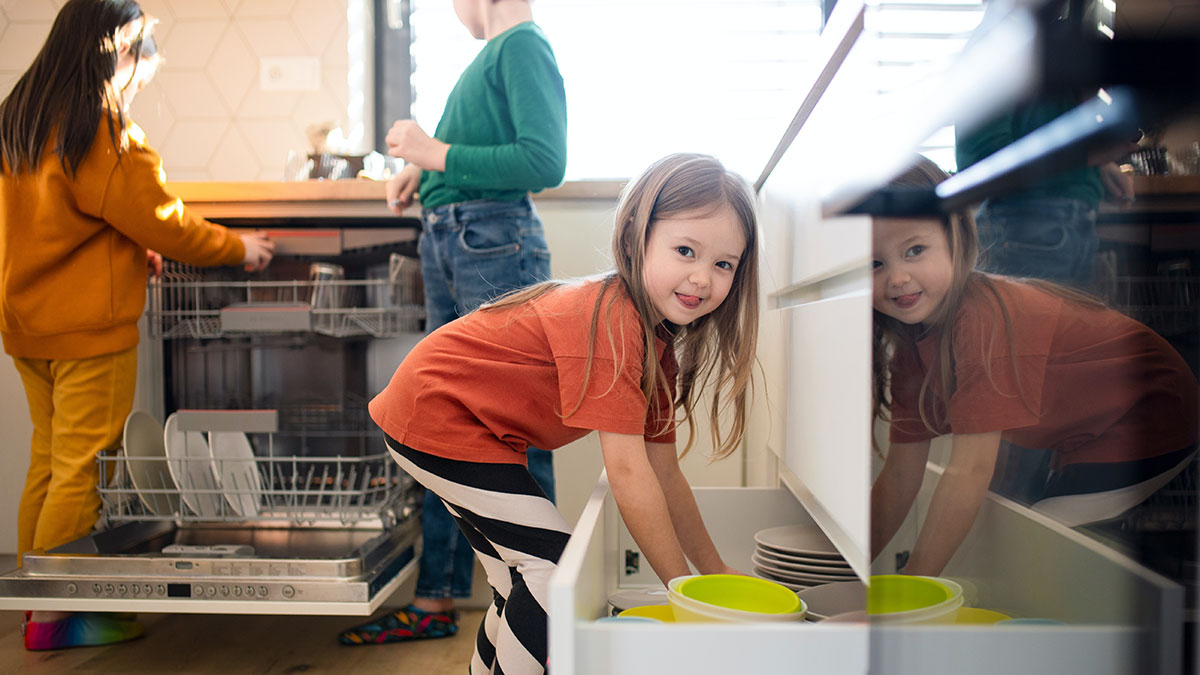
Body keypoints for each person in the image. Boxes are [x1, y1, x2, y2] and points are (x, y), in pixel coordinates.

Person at [363, 153, 757, 674]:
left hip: (456, 423)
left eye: (723, 264)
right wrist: (680, 588)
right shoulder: (612, 321)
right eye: (685, 250)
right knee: (549, 568)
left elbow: (664, 471)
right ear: (638, 236)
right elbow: (628, 472)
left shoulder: (655, 347)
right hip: (438, 414)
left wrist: (711, 573)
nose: (702, 278)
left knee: (517, 581)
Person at [0, 0, 275, 650]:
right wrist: (242, 249)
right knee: (83, 468)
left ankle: (35, 605)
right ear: (118, 48)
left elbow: (67, 222)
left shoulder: (23, 113)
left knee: (49, 461)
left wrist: (124, 249)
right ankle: (60, 615)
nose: (134, 82)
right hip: (90, 329)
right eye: (136, 66)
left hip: (28, 321)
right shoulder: (97, 125)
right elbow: (163, 219)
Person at [339, 0, 567, 646]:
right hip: (460, 238)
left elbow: (543, 160)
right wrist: (424, 172)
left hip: (488, 239)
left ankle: (538, 598)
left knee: (511, 423)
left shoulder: (522, 45)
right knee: (451, 421)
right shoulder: (494, 57)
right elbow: (483, 154)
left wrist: (432, 150)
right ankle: (442, 594)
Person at [869, 156, 1197, 578]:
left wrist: (913, 586)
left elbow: (969, 468)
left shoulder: (982, 321)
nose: (897, 278)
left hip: (1150, 411)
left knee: (1040, 554)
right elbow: (899, 476)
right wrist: (840, 570)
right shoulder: (910, 348)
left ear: (957, 241)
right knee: (1029, 542)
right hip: (1085, 431)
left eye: (915, 250)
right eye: (874, 264)